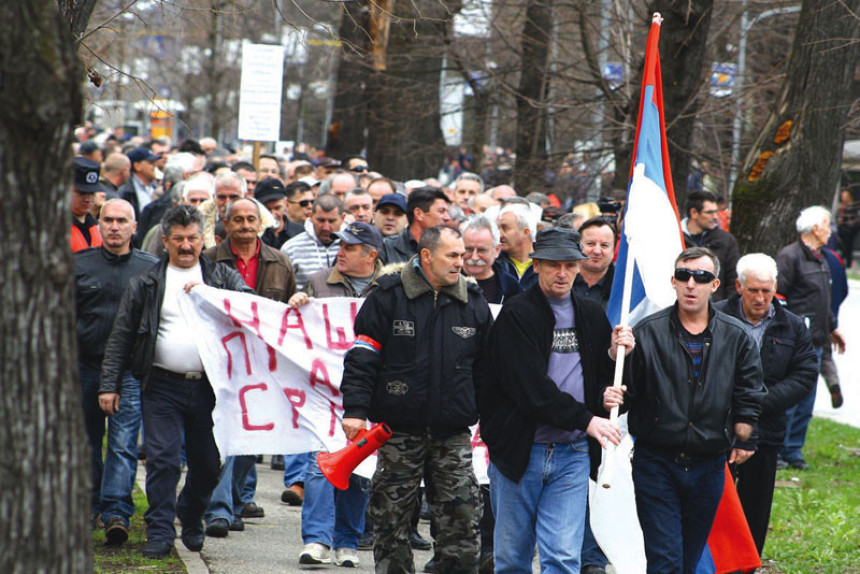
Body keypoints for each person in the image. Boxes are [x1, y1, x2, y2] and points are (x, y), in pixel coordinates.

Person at [99, 205, 253, 559]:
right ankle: (160, 530)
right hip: (161, 386)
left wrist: (293, 302)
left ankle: (191, 513)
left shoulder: (221, 278)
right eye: (179, 239)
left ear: (206, 240)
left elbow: (252, 309)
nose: (186, 246)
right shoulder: (147, 283)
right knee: (163, 461)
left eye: (193, 239)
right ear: (165, 241)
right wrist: (110, 385)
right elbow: (121, 337)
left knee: (207, 464)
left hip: (210, 390)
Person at [604, 246, 766, 573]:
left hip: (708, 463)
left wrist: (745, 437)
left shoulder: (735, 335)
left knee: (688, 560)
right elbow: (627, 392)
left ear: (715, 285)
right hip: (656, 461)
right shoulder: (646, 332)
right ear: (673, 282)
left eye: (701, 277)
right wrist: (617, 364)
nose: (691, 284)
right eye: (684, 276)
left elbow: (749, 390)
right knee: (664, 559)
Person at [341, 226, 492, 573]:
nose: (462, 261)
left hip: (452, 434)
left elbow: (486, 372)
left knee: (463, 522)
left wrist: (491, 419)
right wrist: (356, 410)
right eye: (452, 255)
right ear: (426, 256)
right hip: (398, 432)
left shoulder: (474, 303)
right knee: (390, 523)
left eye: (463, 253)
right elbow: (363, 358)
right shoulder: (387, 295)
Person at [480, 228, 632, 573]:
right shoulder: (516, 315)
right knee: (513, 559)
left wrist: (614, 355)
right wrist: (589, 420)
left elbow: (599, 378)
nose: (562, 273)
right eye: (553, 265)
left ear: (579, 267)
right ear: (536, 266)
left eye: (569, 265)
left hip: (573, 453)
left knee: (563, 557)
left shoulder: (591, 313)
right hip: (520, 450)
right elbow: (530, 389)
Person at [288, 222, 384, 568]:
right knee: (319, 466)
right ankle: (316, 540)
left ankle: (348, 541)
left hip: (366, 392)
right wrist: (299, 302)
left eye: (350, 247)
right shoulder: (317, 282)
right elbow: (296, 329)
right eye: (340, 245)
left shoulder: (387, 289)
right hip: (323, 392)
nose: (340, 251)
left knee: (359, 467)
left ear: (371, 255)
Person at [201, 197, 297, 537]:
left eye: (250, 219)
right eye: (237, 219)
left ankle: (236, 501)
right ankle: (220, 508)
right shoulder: (209, 261)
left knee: (250, 439)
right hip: (220, 363)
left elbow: (288, 314)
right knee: (223, 434)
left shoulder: (280, 262)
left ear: (261, 223)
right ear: (226, 225)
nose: (244, 225)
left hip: (262, 366)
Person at [714, 253, 817, 555]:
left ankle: (747, 562)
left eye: (766, 291)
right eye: (753, 290)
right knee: (714, 505)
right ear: (738, 286)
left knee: (755, 509)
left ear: (775, 288)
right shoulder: (716, 316)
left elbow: (805, 374)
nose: (760, 298)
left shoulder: (793, 325)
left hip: (767, 430)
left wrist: (758, 403)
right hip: (716, 427)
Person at [75, 199, 159, 543]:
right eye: (107, 219)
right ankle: (88, 506)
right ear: (99, 225)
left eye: (122, 220)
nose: (114, 226)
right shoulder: (78, 265)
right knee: (87, 443)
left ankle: (115, 512)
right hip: (83, 366)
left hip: (130, 372)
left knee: (123, 444)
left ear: (134, 227)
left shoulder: (151, 268)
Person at [775, 206, 847, 470]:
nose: (831, 230)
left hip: (815, 341)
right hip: (792, 342)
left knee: (806, 400)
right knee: (790, 399)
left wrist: (832, 327)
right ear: (815, 228)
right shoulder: (789, 256)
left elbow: (822, 300)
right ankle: (779, 451)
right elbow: (778, 297)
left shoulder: (822, 258)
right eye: (827, 225)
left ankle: (794, 451)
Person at [681, 191, 740, 301]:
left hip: (715, 311)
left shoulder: (726, 240)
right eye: (710, 212)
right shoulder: (674, 237)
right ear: (694, 213)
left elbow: (732, 281)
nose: (716, 216)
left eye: (716, 212)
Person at [281, 194, 343, 290]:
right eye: (321, 220)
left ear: (342, 218)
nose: (326, 227)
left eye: (331, 221)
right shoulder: (291, 248)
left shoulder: (352, 246)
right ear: (311, 216)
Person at [380, 187, 451, 264]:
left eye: (447, 212)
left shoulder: (448, 248)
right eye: (441, 211)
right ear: (418, 214)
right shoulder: (386, 248)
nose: (447, 218)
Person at [461, 214, 520, 304]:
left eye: (482, 250)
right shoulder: (446, 281)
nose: (474, 257)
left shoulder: (510, 286)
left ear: (497, 250)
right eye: (469, 249)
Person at [572, 217, 616, 310]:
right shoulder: (560, 280)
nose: (597, 251)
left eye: (604, 245)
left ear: (613, 251)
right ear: (578, 247)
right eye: (590, 243)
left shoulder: (623, 289)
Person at [497, 202, 538, 290]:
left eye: (505, 228)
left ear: (525, 232)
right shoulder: (494, 264)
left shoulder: (545, 264)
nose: (499, 235)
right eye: (498, 229)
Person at [71, 157, 105, 252]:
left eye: (92, 193)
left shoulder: (94, 225)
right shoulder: (55, 227)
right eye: (81, 193)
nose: (88, 199)